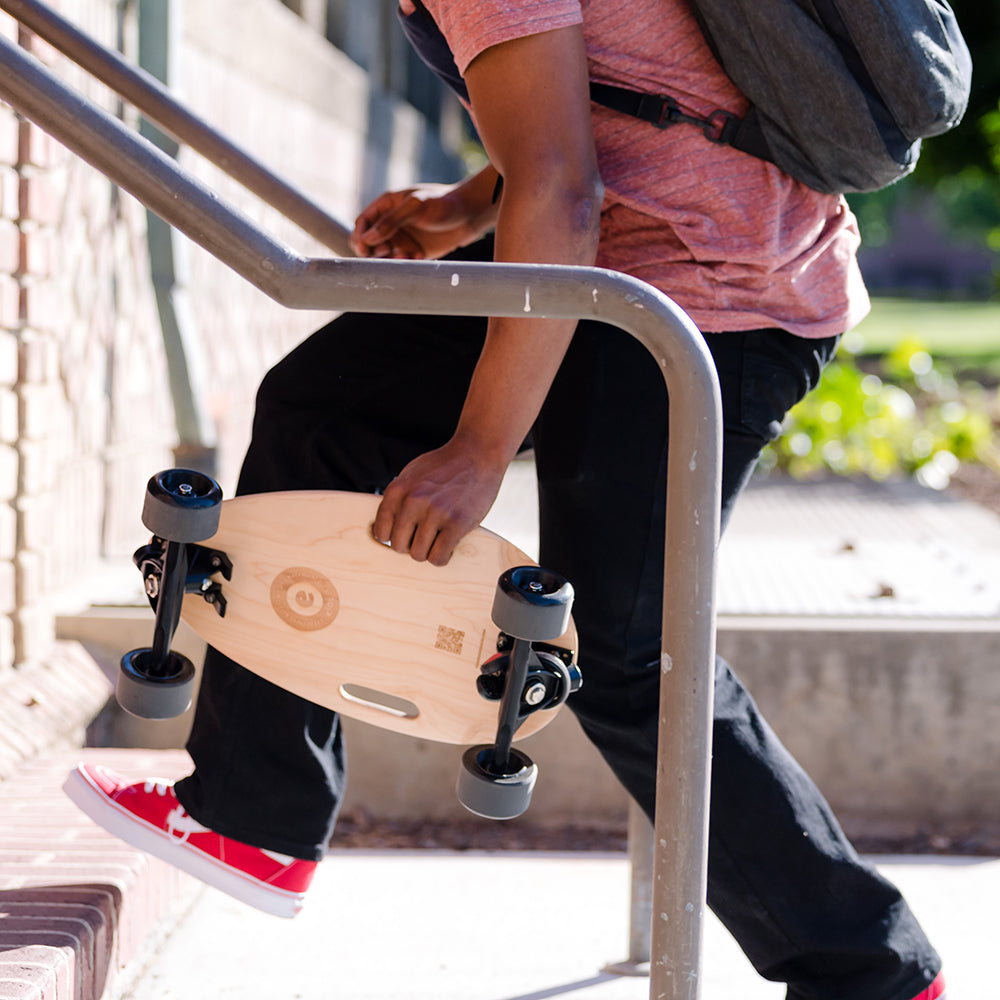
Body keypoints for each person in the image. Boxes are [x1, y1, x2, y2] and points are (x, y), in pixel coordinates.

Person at [64, 1, 947, 997]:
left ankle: (868, 969)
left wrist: (478, 448)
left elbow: (565, 189)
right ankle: (250, 807)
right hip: (619, 254)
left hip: (710, 294)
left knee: (626, 655)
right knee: (325, 411)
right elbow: (629, 95)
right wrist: (466, 207)